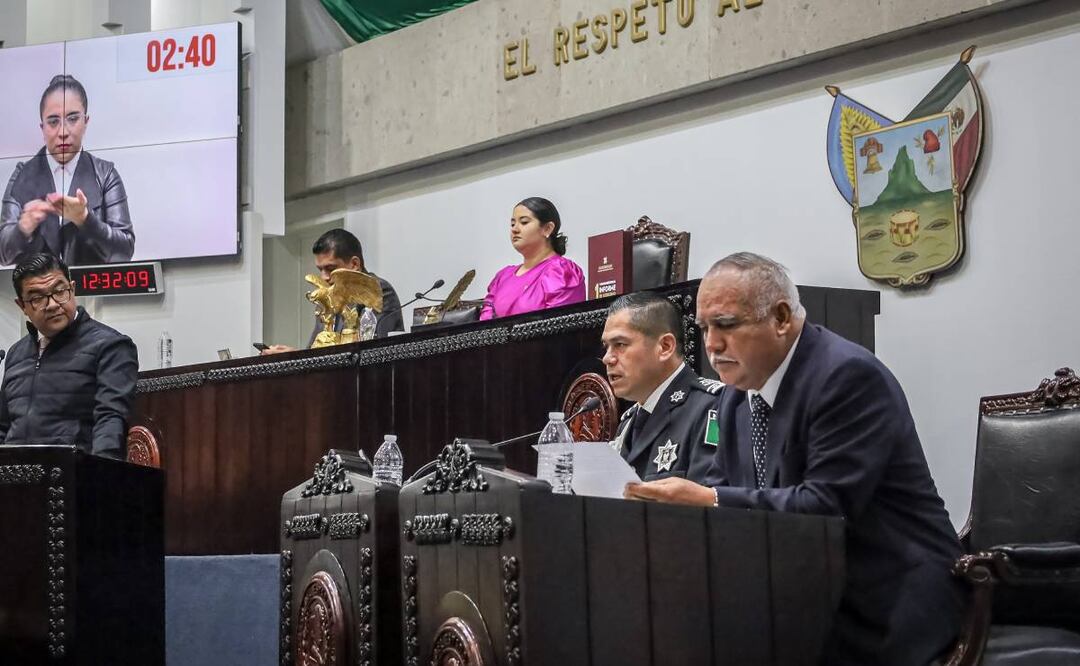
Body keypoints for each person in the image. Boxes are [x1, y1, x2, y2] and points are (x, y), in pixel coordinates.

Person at [625, 252, 963, 666]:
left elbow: (826, 507)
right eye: (704, 328)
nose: (711, 345)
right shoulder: (736, 397)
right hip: (801, 592)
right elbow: (725, 492)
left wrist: (708, 501)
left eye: (726, 325)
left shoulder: (846, 377)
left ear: (781, 318)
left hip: (883, 598)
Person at [0, 252, 138, 458]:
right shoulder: (16, 353)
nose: (53, 304)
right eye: (38, 298)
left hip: (74, 476)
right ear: (22, 306)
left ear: (72, 289)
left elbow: (110, 422)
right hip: (17, 479)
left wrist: (102, 477)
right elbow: (3, 428)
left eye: (60, 291)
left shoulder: (110, 346)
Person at [0, 74, 135, 266]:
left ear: (86, 121)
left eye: (73, 119)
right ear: (42, 127)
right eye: (53, 122)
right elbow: (3, 254)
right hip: (37, 293)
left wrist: (86, 220)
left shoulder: (105, 175)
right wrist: (22, 229)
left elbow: (125, 251)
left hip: (92, 292)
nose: (63, 132)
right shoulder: (23, 175)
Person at [602, 292, 722, 481]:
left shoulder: (711, 407)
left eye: (620, 344)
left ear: (665, 347)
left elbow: (708, 499)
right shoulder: (629, 421)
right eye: (606, 347)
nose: (608, 358)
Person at [263, 229, 402, 354]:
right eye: (320, 270)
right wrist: (293, 356)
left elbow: (375, 351)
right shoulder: (327, 296)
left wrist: (297, 357)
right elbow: (316, 350)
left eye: (330, 268)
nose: (324, 277)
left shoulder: (379, 290)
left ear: (354, 264)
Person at [479, 197, 585, 320]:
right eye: (512, 224)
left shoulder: (561, 271)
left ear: (547, 228)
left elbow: (559, 327)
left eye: (524, 222)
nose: (515, 229)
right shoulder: (502, 277)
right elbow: (485, 323)